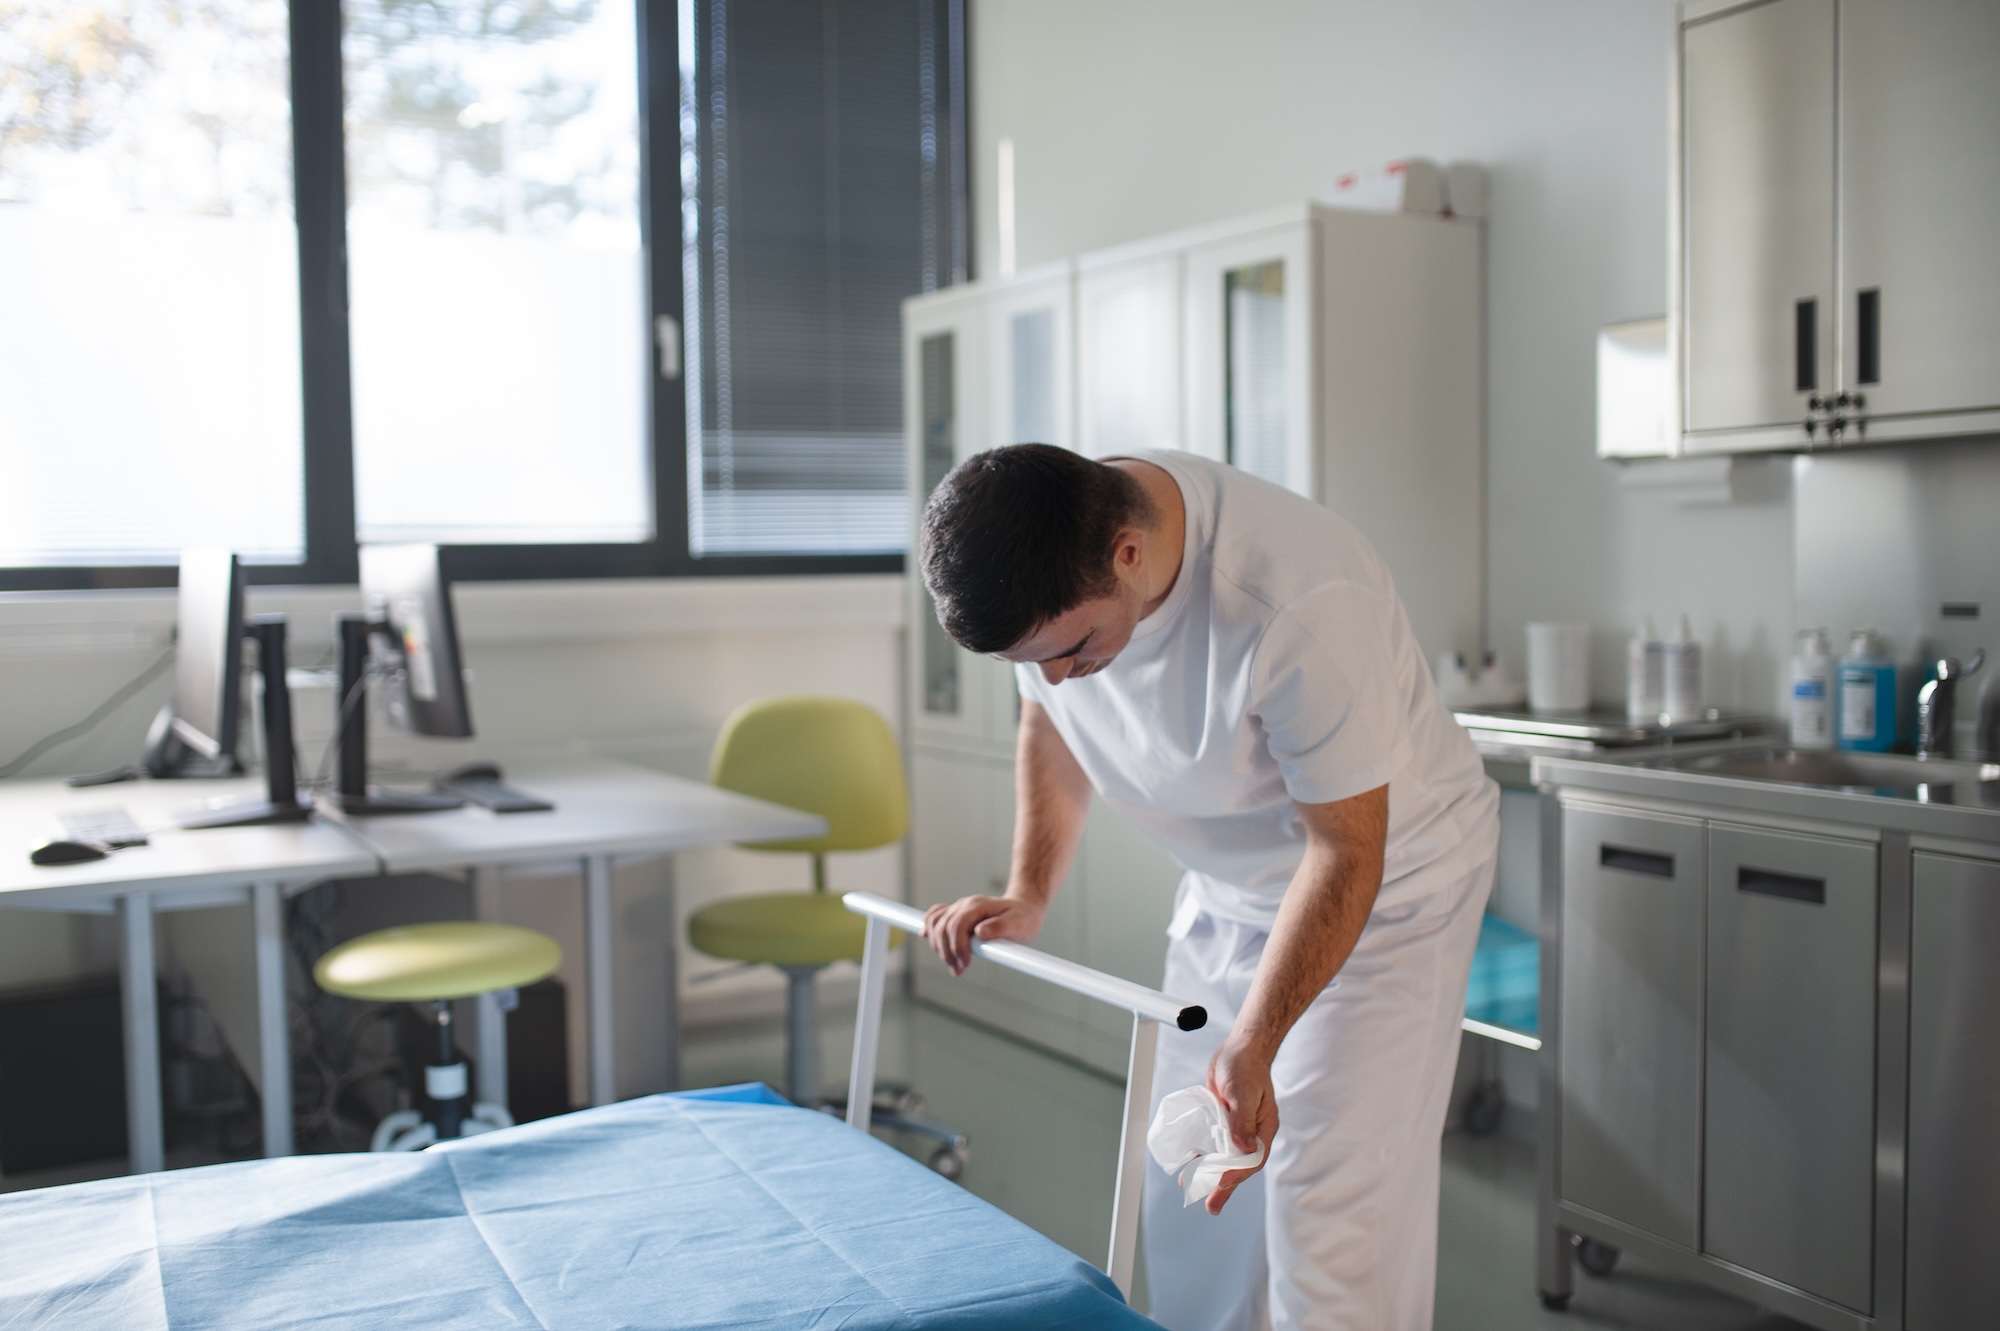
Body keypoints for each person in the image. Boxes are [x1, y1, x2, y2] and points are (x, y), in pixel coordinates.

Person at [918, 444, 1498, 1331]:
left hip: (1389, 895)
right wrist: (1028, 889)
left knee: (1327, 1208)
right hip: (1230, 891)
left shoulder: (1295, 599)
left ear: (1128, 554)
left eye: (1073, 650)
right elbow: (1052, 724)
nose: (1057, 677)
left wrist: (1257, 1038)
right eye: (1032, 662)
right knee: (1192, 1179)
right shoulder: (1056, 570)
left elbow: (1347, 852)